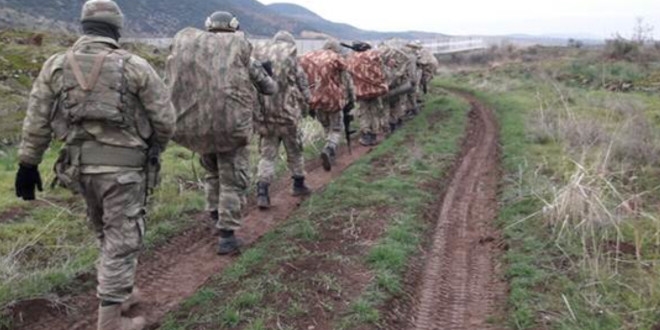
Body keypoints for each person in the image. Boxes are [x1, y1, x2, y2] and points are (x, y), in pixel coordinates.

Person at [14, 1, 176, 329]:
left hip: (79, 170)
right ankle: (111, 320)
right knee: (122, 238)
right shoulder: (135, 66)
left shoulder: (56, 66)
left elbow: (37, 119)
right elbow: (165, 119)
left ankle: (121, 292)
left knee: (104, 231)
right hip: (124, 171)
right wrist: (154, 147)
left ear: (84, 27)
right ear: (117, 29)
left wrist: (27, 163)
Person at [167, 11, 277, 255]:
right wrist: (268, 74)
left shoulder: (191, 52)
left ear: (208, 27)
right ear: (234, 27)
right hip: (231, 127)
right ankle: (227, 235)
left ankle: (214, 215)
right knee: (232, 179)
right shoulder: (240, 50)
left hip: (197, 127)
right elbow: (268, 88)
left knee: (212, 174)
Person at [253, 31, 312, 209]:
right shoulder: (292, 59)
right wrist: (309, 102)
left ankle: (262, 191)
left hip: (265, 116)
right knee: (295, 150)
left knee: (267, 155)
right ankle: (298, 185)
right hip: (287, 115)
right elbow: (303, 85)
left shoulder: (259, 59)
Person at [317, 39, 355, 171]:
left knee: (327, 127)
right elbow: (348, 84)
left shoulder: (315, 62)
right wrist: (351, 100)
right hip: (334, 101)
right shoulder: (338, 62)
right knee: (337, 129)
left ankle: (329, 151)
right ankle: (329, 149)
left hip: (318, 101)